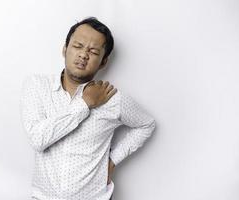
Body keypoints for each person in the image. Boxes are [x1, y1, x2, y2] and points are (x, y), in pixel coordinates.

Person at [20, 17, 156, 200]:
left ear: (103, 62)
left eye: (93, 51)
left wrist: (113, 161)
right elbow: (38, 139)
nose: (83, 54)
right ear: (64, 49)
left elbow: (147, 124)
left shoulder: (113, 99)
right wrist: (85, 104)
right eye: (78, 46)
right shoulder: (36, 86)